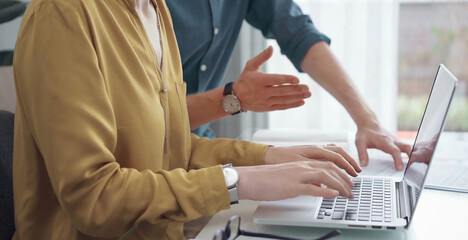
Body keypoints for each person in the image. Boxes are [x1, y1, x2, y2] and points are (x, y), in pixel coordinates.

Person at [12, 0, 361, 239]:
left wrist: (269, 158)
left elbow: (172, 147)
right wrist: (239, 180)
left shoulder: (152, 9)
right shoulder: (64, 15)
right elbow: (93, 198)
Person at [166, 0, 412, 171]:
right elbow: (148, 117)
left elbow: (298, 32)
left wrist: (368, 120)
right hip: (148, 165)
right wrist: (235, 98)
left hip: (200, 151)